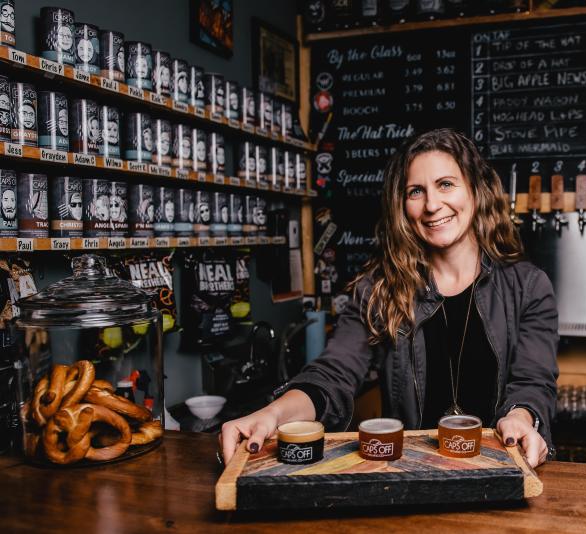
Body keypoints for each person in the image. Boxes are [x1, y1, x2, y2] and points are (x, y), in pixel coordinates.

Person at [220, 128, 559, 467]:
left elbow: (533, 383)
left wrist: (521, 418)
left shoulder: (527, 287)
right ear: (403, 206)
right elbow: (333, 375)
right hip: (411, 479)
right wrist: (272, 413)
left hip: (501, 475)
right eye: (416, 191)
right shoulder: (379, 291)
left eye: (445, 184)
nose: (431, 204)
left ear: (476, 190)